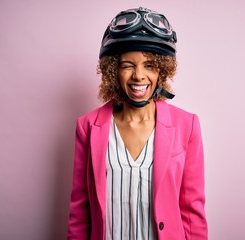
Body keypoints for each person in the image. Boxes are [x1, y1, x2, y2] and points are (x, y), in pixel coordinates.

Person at [67, 7, 208, 240]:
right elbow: (79, 212)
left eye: (149, 65)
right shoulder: (87, 127)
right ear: (114, 70)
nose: (139, 76)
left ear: (161, 70)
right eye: (127, 65)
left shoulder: (187, 126)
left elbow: (193, 213)